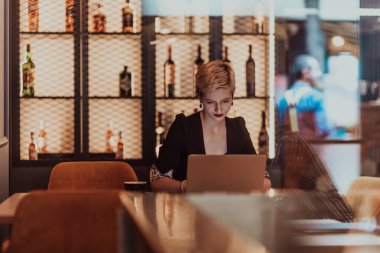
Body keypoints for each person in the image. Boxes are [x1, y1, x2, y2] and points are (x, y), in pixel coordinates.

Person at [150, 60, 271, 193]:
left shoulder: (238, 128)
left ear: (232, 98)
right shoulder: (183, 127)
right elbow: (156, 181)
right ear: (200, 98)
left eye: (225, 101)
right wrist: (184, 186)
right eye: (210, 102)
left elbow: (265, 181)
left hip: (230, 211)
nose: (219, 109)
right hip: (187, 210)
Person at [277, 55, 332, 140]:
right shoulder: (316, 97)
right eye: (316, 69)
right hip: (313, 149)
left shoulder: (283, 99)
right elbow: (324, 130)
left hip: (288, 151)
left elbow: (279, 128)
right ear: (305, 72)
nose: (320, 74)